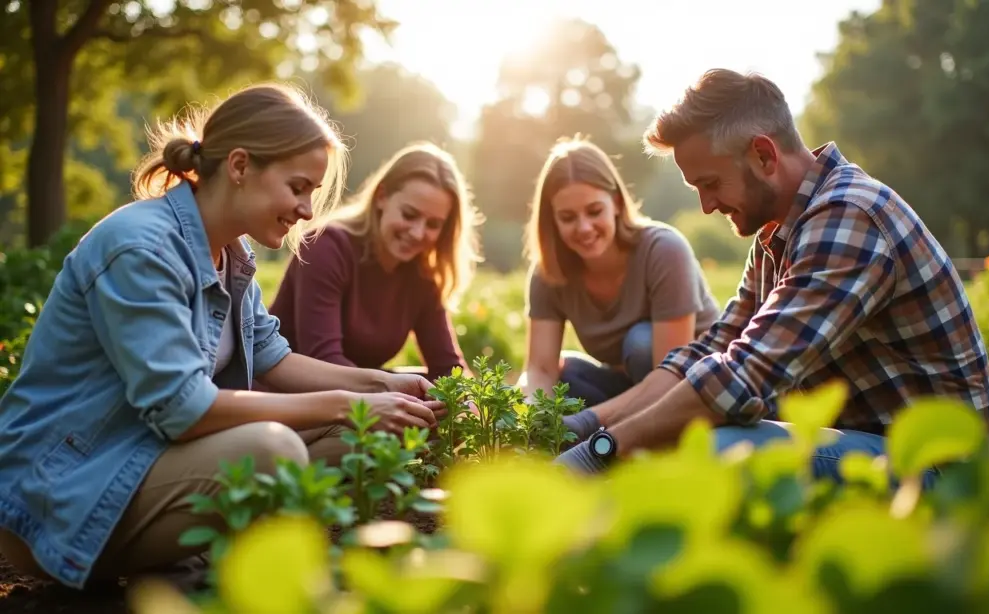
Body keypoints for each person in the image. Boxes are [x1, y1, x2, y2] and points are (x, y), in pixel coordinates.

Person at [0, 83, 446, 592]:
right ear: (239, 166)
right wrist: (348, 403)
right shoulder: (141, 248)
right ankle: (186, 565)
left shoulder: (231, 253)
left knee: (362, 431)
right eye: (298, 187)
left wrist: (383, 386)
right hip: (61, 499)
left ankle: (179, 561)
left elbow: (273, 357)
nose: (307, 210)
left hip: (142, 465)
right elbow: (183, 408)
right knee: (273, 452)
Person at [555, 69, 989, 480]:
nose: (707, 207)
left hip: (945, 470)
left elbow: (743, 378)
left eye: (710, 183)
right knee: (697, 431)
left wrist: (600, 451)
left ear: (764, 154)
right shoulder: (779, 233)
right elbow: (712, 349)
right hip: (867, 444)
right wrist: (588, 425)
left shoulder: (850, 216)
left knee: (720, 447)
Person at [519, 137, 721, 408]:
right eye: (568, 217)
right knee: (567, 372)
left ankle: (616, 426)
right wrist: (533, 413)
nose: (584, 228)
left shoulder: (663, 250)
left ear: (616, 203)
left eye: (594, 211)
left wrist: (589, 420)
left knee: (641, 342)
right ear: (552, 219)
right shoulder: (549, 273)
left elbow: (669, 377)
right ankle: (614, 424)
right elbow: (540, 370)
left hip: (693, 385)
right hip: (632, 387)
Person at [268, 142, 482, 383]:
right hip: (287, 393)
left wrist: (472, 400)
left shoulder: (422, 273)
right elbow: (324, 360)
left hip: (360, 395)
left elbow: (448, 368)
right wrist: (393, 390)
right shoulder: (326, 247)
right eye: (409, 215)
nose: (417, 233)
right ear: (382, 197)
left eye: (433, 224)